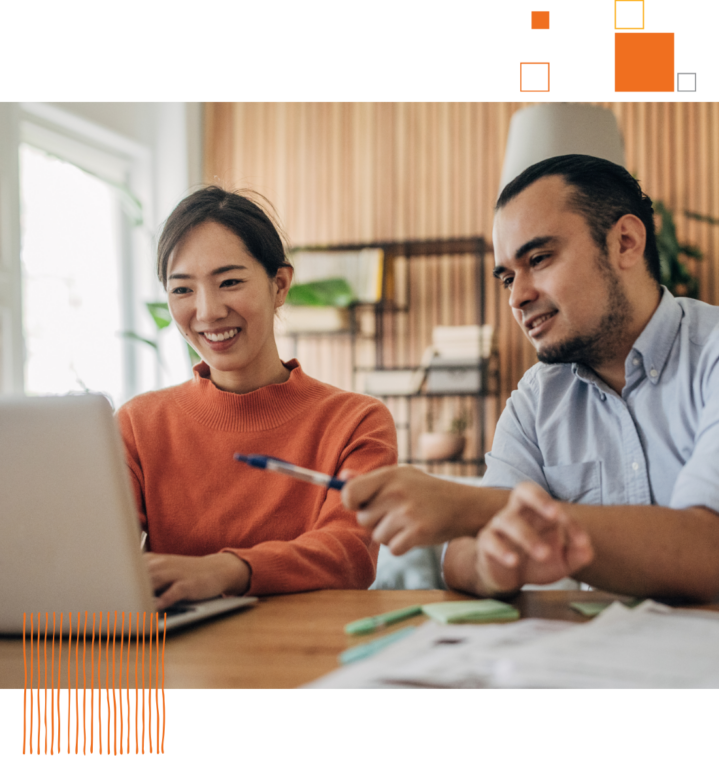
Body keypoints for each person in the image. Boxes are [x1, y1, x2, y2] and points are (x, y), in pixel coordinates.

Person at [341, 154, 719, 602]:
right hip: (603, 657)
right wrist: (494, 566)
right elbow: (461, 557)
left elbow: (707, 550)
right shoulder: (537, 399)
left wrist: (471, 507)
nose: (518, 297)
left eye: (539, 259)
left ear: (626, 243)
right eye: (506, 279)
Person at [116, 187, 397, 611]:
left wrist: (226, 571)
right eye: (182, 290)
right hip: (179, 662)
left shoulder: (356, 420)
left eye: (229, 282)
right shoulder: (138, 425)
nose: (207, 312)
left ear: (279, 284)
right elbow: (94, 552)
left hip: (309, 657)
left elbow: (349, 554)